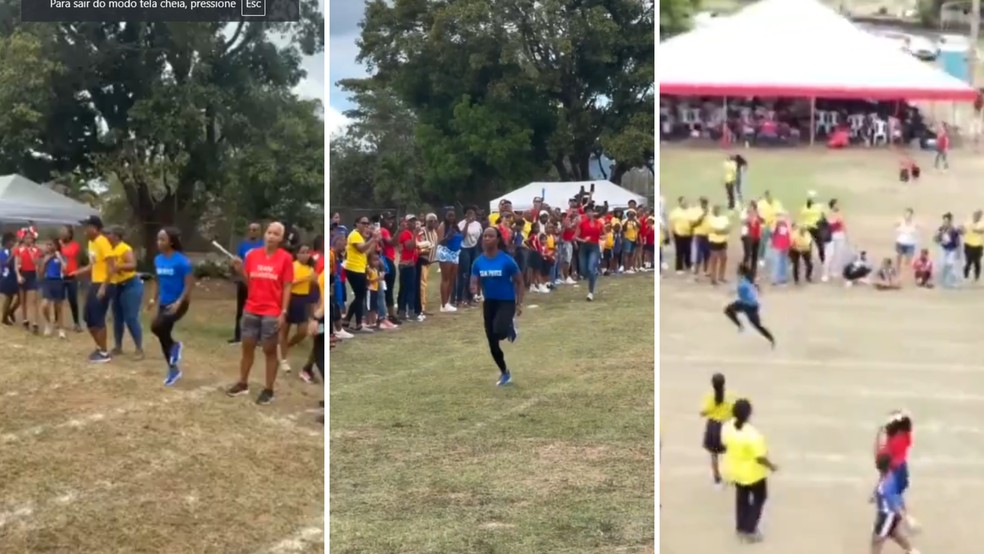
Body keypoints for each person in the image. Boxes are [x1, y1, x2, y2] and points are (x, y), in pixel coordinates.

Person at [226, 222, 294, 405]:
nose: (271, 236)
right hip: (251, 309)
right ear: (265, 235)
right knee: (247, 347)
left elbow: (287, 286)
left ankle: (269, 389)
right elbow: (250, 283)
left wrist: (284, 311)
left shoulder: (286, 258)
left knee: (269, 350)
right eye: (269, 232)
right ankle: (243, 383)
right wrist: (240, 269)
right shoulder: (253, 256)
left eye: (276, 234)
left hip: (272, 311)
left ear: (281, 238)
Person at [470, 227, 523, 387]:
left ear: (498, 239)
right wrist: (474, 287)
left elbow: (519, 281)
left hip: (506, 301)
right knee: (492, 342)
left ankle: (509, 325)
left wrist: (519, 303)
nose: (487, 238)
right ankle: (505, 372)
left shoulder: (507, 260)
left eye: (490, 236)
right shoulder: (478, 262)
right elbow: (474, 279)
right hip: (490, 303)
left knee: (499, 331)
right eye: (485, 236)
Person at [721, 398, 778, 543]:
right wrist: (771, 466)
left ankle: (740, 527)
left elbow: (724, 443)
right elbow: (760, 458)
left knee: (742, 499)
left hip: (735, 469)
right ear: (749, 414)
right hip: (753, 474)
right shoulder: (753, 435)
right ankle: (750, 529)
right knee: (759, 498)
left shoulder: (727, 427)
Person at [146, 227, 193, 386]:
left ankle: (175, 346)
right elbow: (157, 281)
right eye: (158, 239)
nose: (159, 242)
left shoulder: (182, 261)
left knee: (157, 326)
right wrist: (153, 299)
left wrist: (179, 302)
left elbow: (188, 285)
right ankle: (173, 369)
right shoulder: (158, 260)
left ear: (171, 242)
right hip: (164, 302)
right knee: (162, 333)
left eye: (162, 239)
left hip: (179, 303)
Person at [71, 216, 116, 363]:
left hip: (104, 284)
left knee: (97, 317)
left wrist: (103, 287)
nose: (85, 230)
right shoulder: (91, 243)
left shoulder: (103, 242)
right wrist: (78, 272)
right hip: (95, 282)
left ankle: (104, 353)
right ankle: (99, 347)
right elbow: (93, 265)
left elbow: (112, 267)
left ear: (95, 228)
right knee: (88, 317)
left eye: (87, 227)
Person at [875, 411, 919, 531]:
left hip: (895, 469)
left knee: (892, 495)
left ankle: (905, 519)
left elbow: (882, 455)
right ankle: (905, 517)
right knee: (895, 494)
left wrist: (880, 434)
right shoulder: (905, 436)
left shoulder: (894, 439)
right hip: (901, 469)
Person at [871, 452, 921, 554]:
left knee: (876, 540)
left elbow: (893, 502)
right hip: (889, 515)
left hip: (887, 515)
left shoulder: (886, 484)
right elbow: (897, 495)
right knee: (894, 533)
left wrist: (905, 517)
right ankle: (912, 551)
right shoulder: (888, 475)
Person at [106, 227, 144, 359]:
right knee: (117, 318)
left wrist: (118, 267)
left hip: (130, 285)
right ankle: (118, 346)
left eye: (109, 234)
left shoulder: (124, 248)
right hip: (118, 286)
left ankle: (139, 349)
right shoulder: (110, 249)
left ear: (116, 236)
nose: (107, 236)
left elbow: (132, 265)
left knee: (131, 317)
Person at [281, 244, 317, 372]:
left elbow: (313, 285)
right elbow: (289, 282)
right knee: (284, 330)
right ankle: (283, 360)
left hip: (303, 300)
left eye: (307, 252)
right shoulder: (292, 266)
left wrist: (314, 280)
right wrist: (305, 278)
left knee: (303, 331)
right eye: (303, 252)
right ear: (297, 254)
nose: (305, 255)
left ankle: (288, 345)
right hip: (291, 298)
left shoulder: (310, 268)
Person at [723, 264, 775, 347]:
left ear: (741, 272)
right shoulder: (747, 279)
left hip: (750, 306)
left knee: (757, 325)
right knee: (728, 310)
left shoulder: (744, 282)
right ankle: (740, 326)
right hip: (745, 303)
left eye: (738, 271)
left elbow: (744, 291)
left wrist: (734, 291)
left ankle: (771, 339)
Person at [343, 216, 381, 332]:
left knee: (360, 296)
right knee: (360, 297)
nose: (366, 226)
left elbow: (366, 252)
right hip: (354, 269)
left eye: (367, 223)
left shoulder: (360, 236)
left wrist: (375, 241)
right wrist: (372, 239)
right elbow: (361, 249)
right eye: (363, 223)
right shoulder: (354, 235)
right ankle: (358, 324)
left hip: (359, 268)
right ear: (356, 224)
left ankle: (347, 320)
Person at [229, 222, 263, 345]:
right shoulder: (243, 245)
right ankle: (238, 336)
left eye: (255, 229)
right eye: (250, 229)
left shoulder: (263, 245)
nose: (252, 232)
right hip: (244, 281)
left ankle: (258, 337)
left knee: (259, 310)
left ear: (259, 232)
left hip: (259, 282)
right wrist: (234, 264)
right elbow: (236, 264)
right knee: (241, 310)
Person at [699, 373, 735, 487]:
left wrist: (705, 412)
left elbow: (704, 412)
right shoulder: (730, 396)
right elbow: (734, 411)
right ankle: (732, 474)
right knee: (730, 451)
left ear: (712, 384)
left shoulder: (710, 397)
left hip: (714, 426)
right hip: (726, 425)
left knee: (714, 454)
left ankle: (717, 477)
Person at [38, 238, 67, 338]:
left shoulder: (61, 255)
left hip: (58, 281)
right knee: (44, 305)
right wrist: (45, 262)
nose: (48, 247)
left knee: (58, 307)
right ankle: (48, 323)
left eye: (51, 244)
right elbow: (40, 273)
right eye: (47, 245)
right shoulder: (44, 257)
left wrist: (60, 258)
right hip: (48, 281)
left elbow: (65, 269)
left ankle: (61, 329)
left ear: (56, 246)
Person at [574, 205, 604, 301]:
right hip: (584, 247)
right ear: (585, 213)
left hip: (594, 247)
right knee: (584, 271)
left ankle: (591, 292)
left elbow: (604, 234)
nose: (589, 213)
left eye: (591, 211)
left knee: (591, 268)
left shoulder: (599, 223)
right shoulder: (582, 223)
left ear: (593, 212)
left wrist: (602, 238)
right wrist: (583, 240)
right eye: (587, 212)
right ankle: (593, 277)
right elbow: (575, 236)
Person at [14, 230, 41, 333]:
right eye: (26, 238)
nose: (28, 240)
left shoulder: (35, 250)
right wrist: (18, 275)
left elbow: (36, 263)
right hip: (23, 274)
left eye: (30, 238)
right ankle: (25, 319)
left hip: (32, 274)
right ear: (23, 239)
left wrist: (31, 252)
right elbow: (16, 264)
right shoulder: (19, 250)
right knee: (23, 299)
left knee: (33, 299)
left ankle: (35, 322)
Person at [437, 209, 463, 312]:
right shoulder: (443, 225)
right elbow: (440, 242)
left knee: (452, 278)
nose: (452, 218)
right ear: (445, 216)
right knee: (446, 279)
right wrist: (448, 237)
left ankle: (447, 302)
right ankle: (443, 304)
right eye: (449, 215)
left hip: (455, 253)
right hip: (445, 252)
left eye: (453, 216)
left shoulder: (455, 226)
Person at [59, 225, 82, 331]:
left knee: (73, 299)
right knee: (58, 299)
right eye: (61, 231)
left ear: (70, 234)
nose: (62, 233)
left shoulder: (75, 245)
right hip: (60, 275)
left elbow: (70, 253)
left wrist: (62, 246)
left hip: (72, 275)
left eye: (65, 231)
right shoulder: (58, 244)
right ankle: (58, 321)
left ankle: (76, 323)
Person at [935, 212, 961, 288]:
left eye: (946, 221)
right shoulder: (941, 229)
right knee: (942, 265)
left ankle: (952, 281)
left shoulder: (954, 230)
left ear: (950, 221)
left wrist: (958, 252)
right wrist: (938, 238)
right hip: (943, 249)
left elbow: (957, 242)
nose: (945, 222)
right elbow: (936, 239)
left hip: (951, 250)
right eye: (944, 221)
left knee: (950, 265)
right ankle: (943, 280)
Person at [0, 233, 19, 325]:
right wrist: (13, 254)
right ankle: (4, 317)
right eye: (12, 241)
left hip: (13, 276)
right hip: (6, 277)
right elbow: (5, 263)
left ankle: (10, 311)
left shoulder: (9, 251)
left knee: (19, 297)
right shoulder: (2, 252)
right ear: (7, 242)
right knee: (8, 297)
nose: (14, 243)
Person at [894, 209, 918, 279]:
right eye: (906, 214)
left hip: (910, 244)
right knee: (899, 258)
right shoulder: (900, 222)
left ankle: (905, 275)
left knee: (908, 260)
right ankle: (897, 273)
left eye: (909, 214)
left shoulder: (914, 224)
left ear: (912, 215)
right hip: (900, 242)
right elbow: (895, 227)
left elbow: (917, 231)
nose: (908, 216)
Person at [963, 209, 984, 283]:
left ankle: (976, 276)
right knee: (968, 261)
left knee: (977, 262)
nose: (977, 217)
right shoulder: (969, 222)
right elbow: (963, 229)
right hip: (968, 244)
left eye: (979, 215)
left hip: (978, 245)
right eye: (976, 215)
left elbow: (981, 230)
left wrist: (974, 230)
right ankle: (965, 275)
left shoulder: (982, 223)